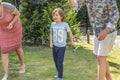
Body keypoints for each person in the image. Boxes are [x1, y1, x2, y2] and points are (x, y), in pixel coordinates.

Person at [68, 0, 119, 80]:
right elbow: (74, 6)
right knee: (99, 58)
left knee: (100, 57)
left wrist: (105, 32)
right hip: (97, 33)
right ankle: (109, 78)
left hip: (108, 32)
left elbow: (115, 15)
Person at [0, 0, 25, 80]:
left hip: (15, 27)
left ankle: (22, 64)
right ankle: (6, 74)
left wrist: (11, 23)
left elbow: (17, 14)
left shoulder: (7, 6)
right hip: (3, 30)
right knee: (4, 50)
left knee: (18, 47)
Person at [50, 8, 74, 80]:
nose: (55, 17)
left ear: (61, 16)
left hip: (62, 47)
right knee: (55, 60)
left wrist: (72, 41)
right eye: (54, 15)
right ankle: (58, 72)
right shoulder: (52, 24)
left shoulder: (65, 24)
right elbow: (51, 33)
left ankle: (60, 77)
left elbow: (70, 32)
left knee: (59, 61)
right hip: (54, 46)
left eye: (57, 15)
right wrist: (51, 42)